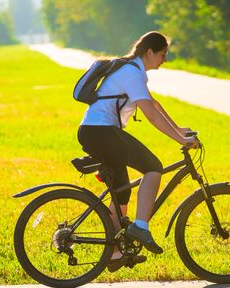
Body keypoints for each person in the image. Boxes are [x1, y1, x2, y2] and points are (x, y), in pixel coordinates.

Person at [77, 31, 198, 272]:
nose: (165, 60)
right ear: (149, 52)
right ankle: (141, 226)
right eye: (163, 54)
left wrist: (179, 129)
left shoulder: (132, 71)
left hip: (99, 132)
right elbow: (151, 116)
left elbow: (154, 104)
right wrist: (179, 139)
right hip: (101, 132)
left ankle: (114, 252)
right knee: (153, 167)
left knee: (121, 192)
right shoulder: (132, 73)